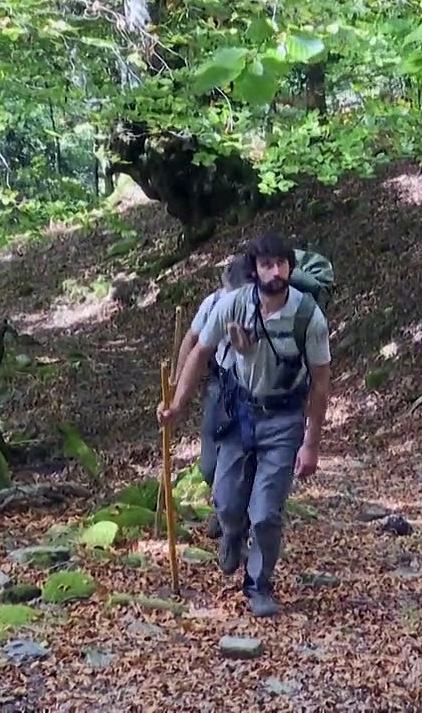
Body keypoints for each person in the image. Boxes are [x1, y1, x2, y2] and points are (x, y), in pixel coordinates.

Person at [158, 232, 331, 618]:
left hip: (285, 418)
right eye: (267, 264)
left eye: (282, 263)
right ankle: (232, 535)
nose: (276, 271)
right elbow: (201, 350)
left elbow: (320, 381)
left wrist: (311, 443)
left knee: (267, 512)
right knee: (225, 499)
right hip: (238, 413)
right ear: (254, 271)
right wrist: (176, 405)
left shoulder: (308, 316)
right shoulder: (233, 305)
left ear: (290, 267)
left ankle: (259, 585)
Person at [172, 257, 248, 539]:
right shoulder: (214, 303)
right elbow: (192, 342)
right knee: (208, 464)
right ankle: (225, 506)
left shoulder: (264, 304)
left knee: (243, 454)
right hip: (221, 385)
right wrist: (178, 385)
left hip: (256, 391)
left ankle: (233, 511)